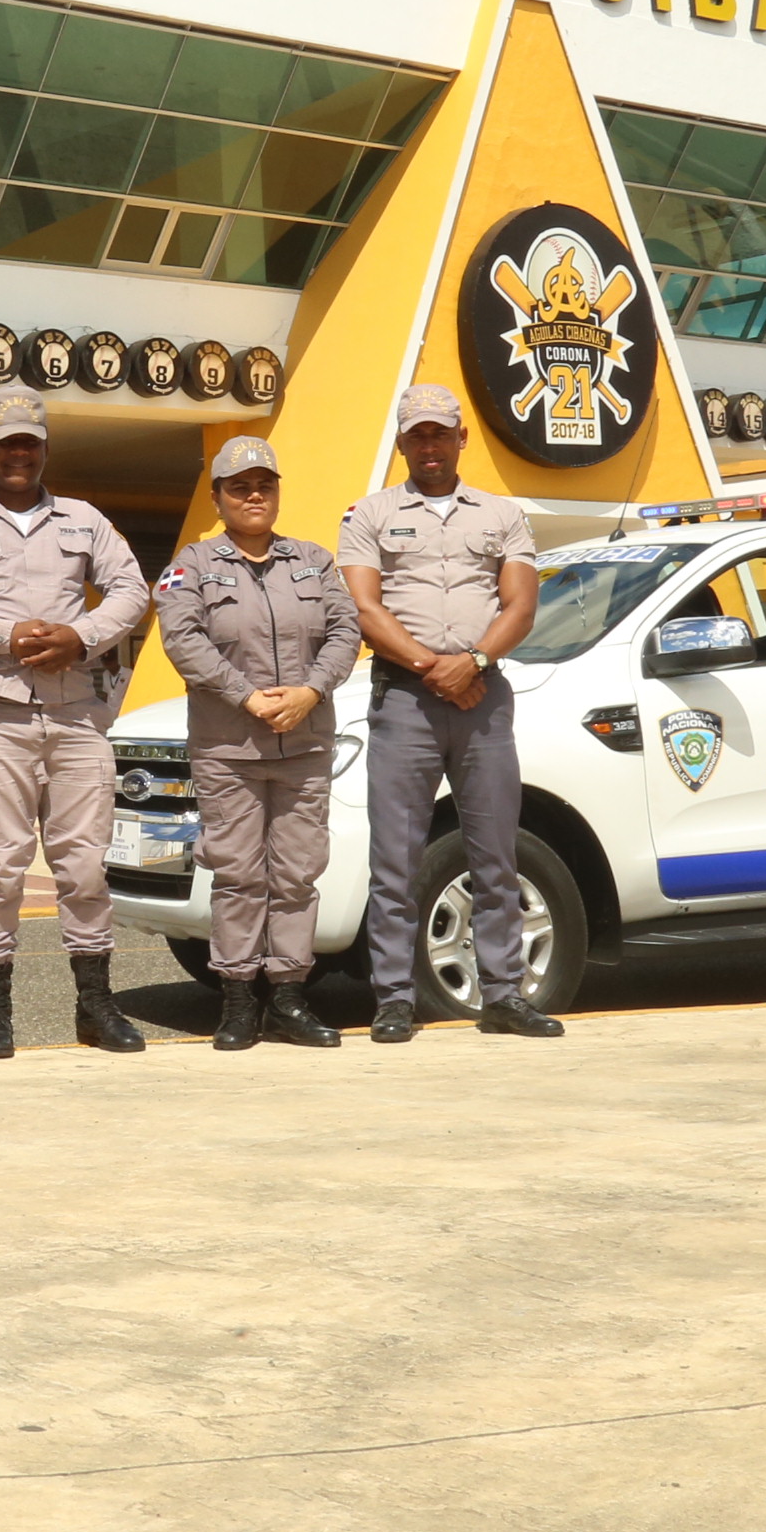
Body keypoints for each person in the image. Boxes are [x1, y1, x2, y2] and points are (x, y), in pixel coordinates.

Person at [0, 389, 154, 1058]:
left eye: (30, 443)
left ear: (44, 449)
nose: (18, 454)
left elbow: (132, 590)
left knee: (85, 867)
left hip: (77, 714)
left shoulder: (84, 519)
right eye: (6, 443)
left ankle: (95, 1007)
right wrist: (5, 635)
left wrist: (81, 636)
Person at [336, 382, 560, 1041]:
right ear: (402, 443)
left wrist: (476, 662)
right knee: (396, 859)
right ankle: (394, 999)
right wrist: (434, 667)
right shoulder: (369, 514)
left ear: (461, 438)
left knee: (495, 855)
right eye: (417, 435)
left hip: (482, 699)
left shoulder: (503, 514)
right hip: (406, 699)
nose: (429, 445)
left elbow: (520, 605)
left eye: (440, 433)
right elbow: (364, 608)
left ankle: (504, 995)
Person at [151, 434, 358, 1050]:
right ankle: (239, 999)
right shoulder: (192, 565)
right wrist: (246, 696)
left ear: (277, 493)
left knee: (297, 873)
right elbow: (182, 639)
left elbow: (346, 631)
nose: (254, 496)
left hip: (304, 743)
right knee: (238, 874)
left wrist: (311, 691)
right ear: (218, 498)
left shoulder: (314, 561)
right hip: (229, 749)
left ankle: (289, 998)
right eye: (239, 488)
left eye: (264, 485)